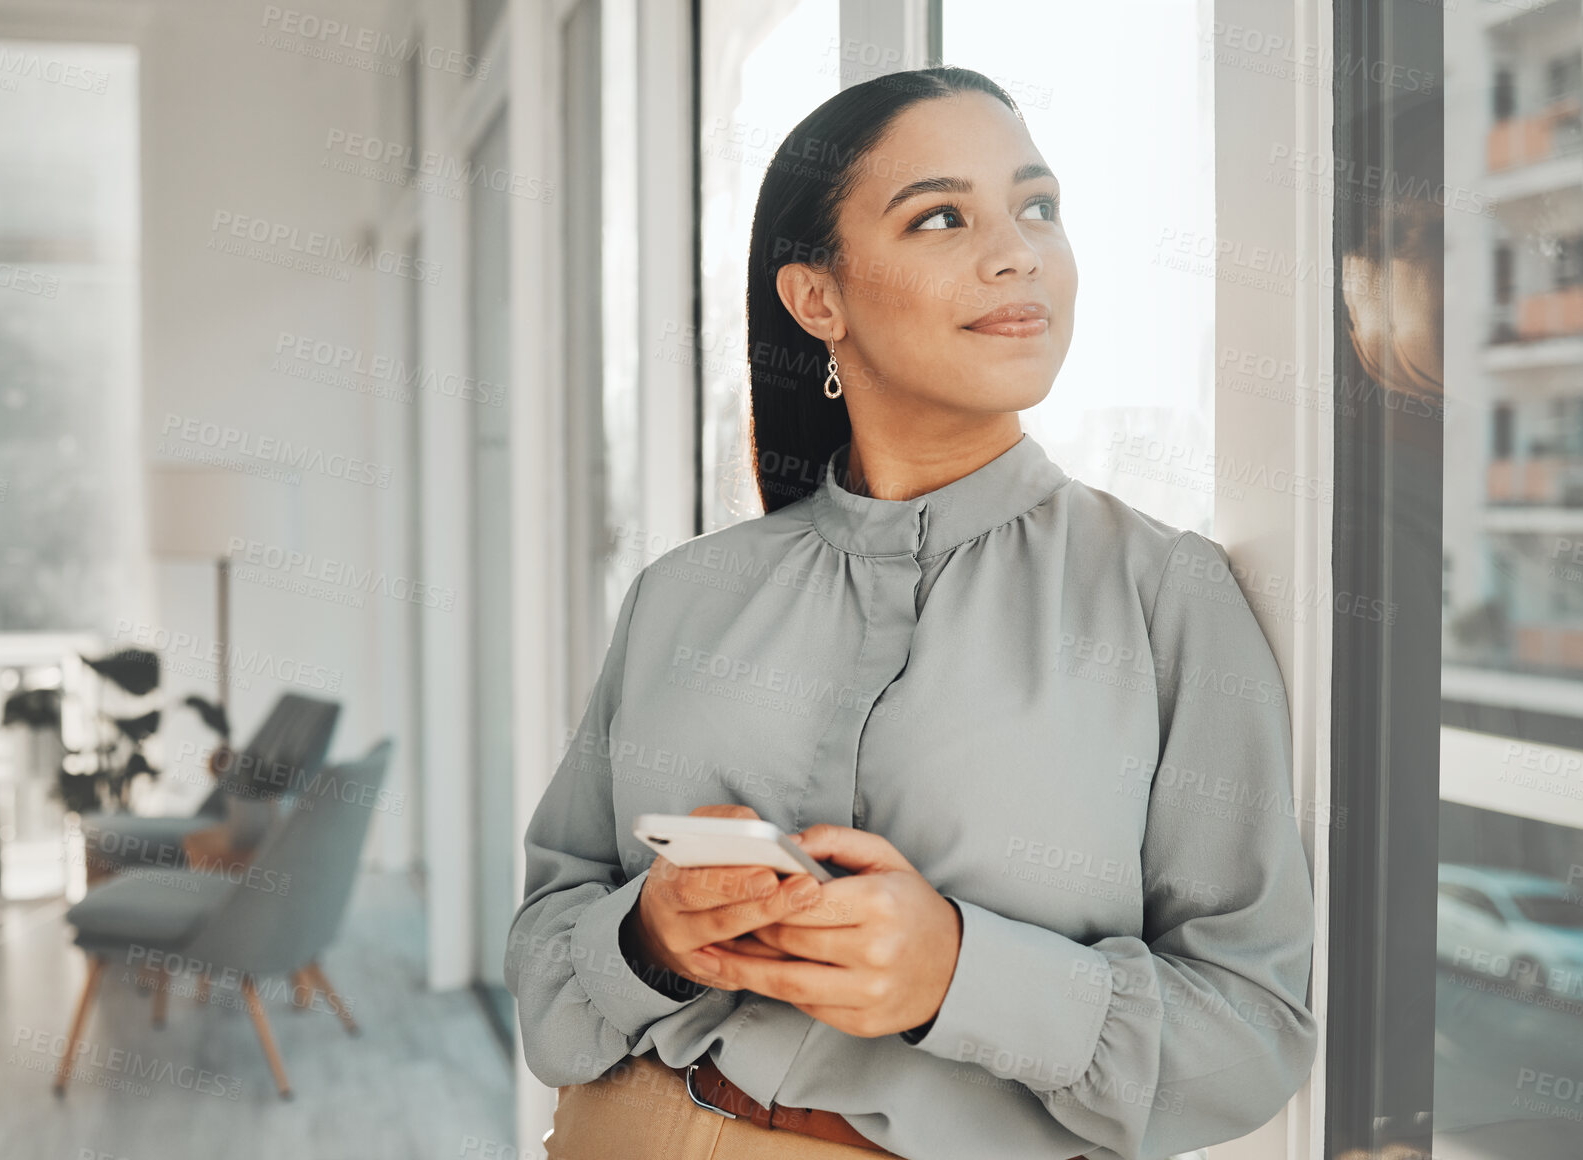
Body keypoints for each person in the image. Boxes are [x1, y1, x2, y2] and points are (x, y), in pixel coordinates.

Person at [504, 65, 1318, 1160]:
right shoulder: (680, 594)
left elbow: (1254, 1036)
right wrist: (648, 936)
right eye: (942, 215)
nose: (1017, 251)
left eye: (1037, 207)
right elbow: (547, 954)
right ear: (816, 299)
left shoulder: (1165, 597)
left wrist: (958, 973)